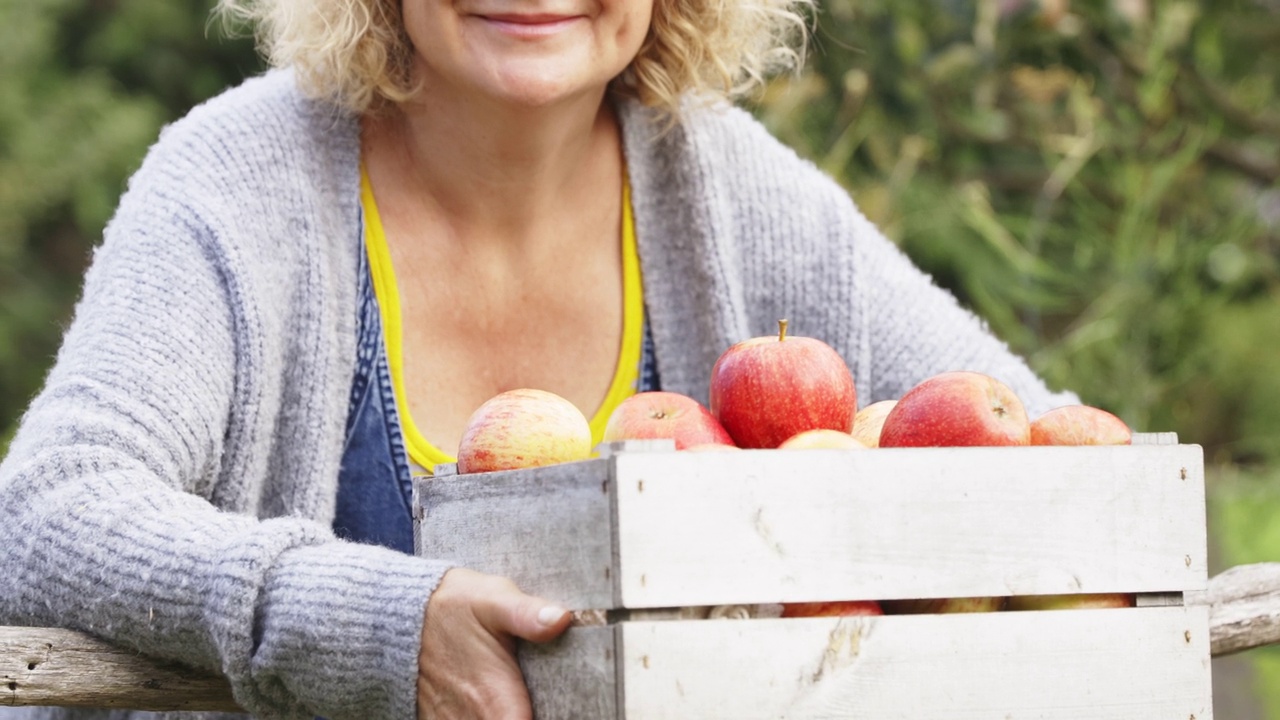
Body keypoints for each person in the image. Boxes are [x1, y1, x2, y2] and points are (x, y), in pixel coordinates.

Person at [0, 0, 1077, 716]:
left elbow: (1054, 473)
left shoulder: (734, 197)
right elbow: (46, 510)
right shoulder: (239, 182)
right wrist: (373, 623)